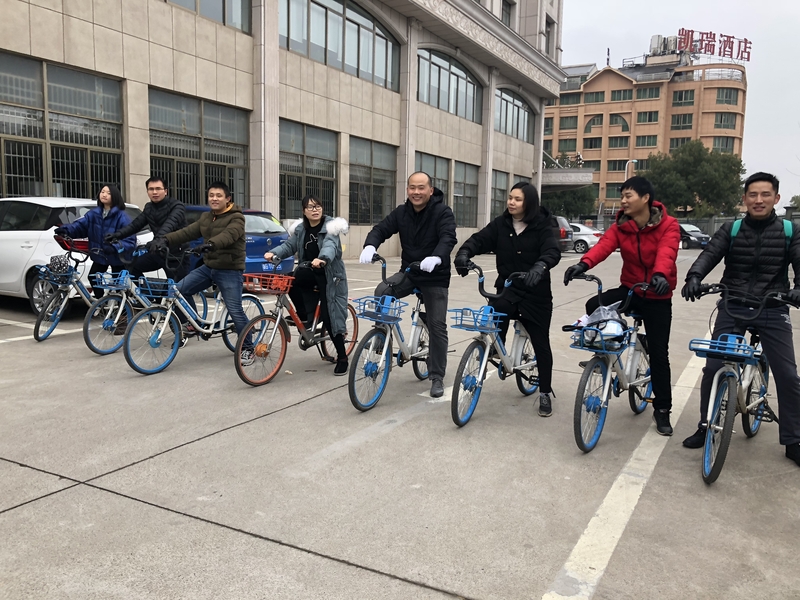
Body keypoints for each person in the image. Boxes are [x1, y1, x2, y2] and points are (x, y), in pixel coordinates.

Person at [681, 172, 800, 467]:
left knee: (787, 375)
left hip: (773, 307)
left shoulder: (789, 230)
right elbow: (710, 254)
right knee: (713, 368)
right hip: (733, 304)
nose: (759, 200)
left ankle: (793, 439)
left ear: (776, 198)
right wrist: (694, 277)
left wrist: (798, 289)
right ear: (744, 199)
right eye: (752, 195)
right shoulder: (731, 228)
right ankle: (706, 425)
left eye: (765, 194)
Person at [564, 176, 680, 436]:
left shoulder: (668, 224)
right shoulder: (621, 226)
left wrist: (660, 275)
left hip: (657, 294)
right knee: (594, 304)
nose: (623, 201)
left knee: (659, 355)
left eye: (629, 196)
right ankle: (607, 353)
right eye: (622, 196)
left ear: (645, 198)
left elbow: (667, 251)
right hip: (631, 289)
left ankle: (662, 409)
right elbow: (604, 246)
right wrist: (583, 264)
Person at [454, 182, 561, 416]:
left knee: (541, 343)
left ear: (529, 203)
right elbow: (479, 239)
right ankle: (495, 348)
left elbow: (552, 251)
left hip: (535, 293)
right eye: (510, 197)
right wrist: (464, 253)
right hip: (509, 289)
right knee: (496, 311)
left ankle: (544, 392)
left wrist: (540, 267)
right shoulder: (501, 224)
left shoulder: (542, 225)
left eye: (517, 199)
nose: (511, 202)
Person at [359, 171, 457, 398]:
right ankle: (381, 336)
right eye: (412, 187)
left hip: (434, 275)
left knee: (437, 326)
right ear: (407, 190)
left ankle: (437, 376)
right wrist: (370, 245)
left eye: (421, 187)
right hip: (410, 272)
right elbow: (381, 229)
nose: (416, 192)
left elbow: (448, 237)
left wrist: (437, 256)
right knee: (383, 290)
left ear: (430, 190)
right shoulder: (402, 212)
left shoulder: (443, 212)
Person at [152, 181, 252, 363]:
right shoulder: (206, 217)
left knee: (235, 310)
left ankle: (248, 348)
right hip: (209, 267)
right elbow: (186, 232)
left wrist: (210, 244)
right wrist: (164, 240)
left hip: (229, 270)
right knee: (178, 290)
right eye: (211, 195)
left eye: (219, 195)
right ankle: (194, 324)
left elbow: (228, 235)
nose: (214, 199)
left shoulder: (237, 218)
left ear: (228, 199)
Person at [265, 195, 351, 376]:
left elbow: (330, 245)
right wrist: (273, 253)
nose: (315, 210)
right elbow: (289, 246)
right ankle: (306, 317)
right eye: (310, 207)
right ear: (304, 211)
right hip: (310, 272)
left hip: (330, 276)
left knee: (330, 317)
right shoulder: (301, 229)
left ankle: (342, 358)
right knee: (291, 281)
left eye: (318, 206)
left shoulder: (330, 228)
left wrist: (323, 258)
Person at [54, 184, 136, 298]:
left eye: (108, 193)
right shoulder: (94, 213)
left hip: (118, 258)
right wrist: (66, 230)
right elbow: (80, 226)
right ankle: (100, 302)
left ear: (115, 196)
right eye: (102, 192)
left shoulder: (122, 217)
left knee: (118, 284)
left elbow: (130, 240)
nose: (104, 195)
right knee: (93, 277)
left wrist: (115, 247)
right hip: (100, 254)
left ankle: (121, 306)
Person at [105, 177, 188, 280]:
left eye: (158, 189)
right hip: (158, 251)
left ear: (166, 191)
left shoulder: (177, 206)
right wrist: (116, 235)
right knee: (132, 267)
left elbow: (169, 225)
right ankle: (146, 291)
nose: (154, 192)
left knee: (179, 288)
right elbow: (135, 225)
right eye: (151, 189)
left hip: (177, 255)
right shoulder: (149, 207)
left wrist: (157, 240)